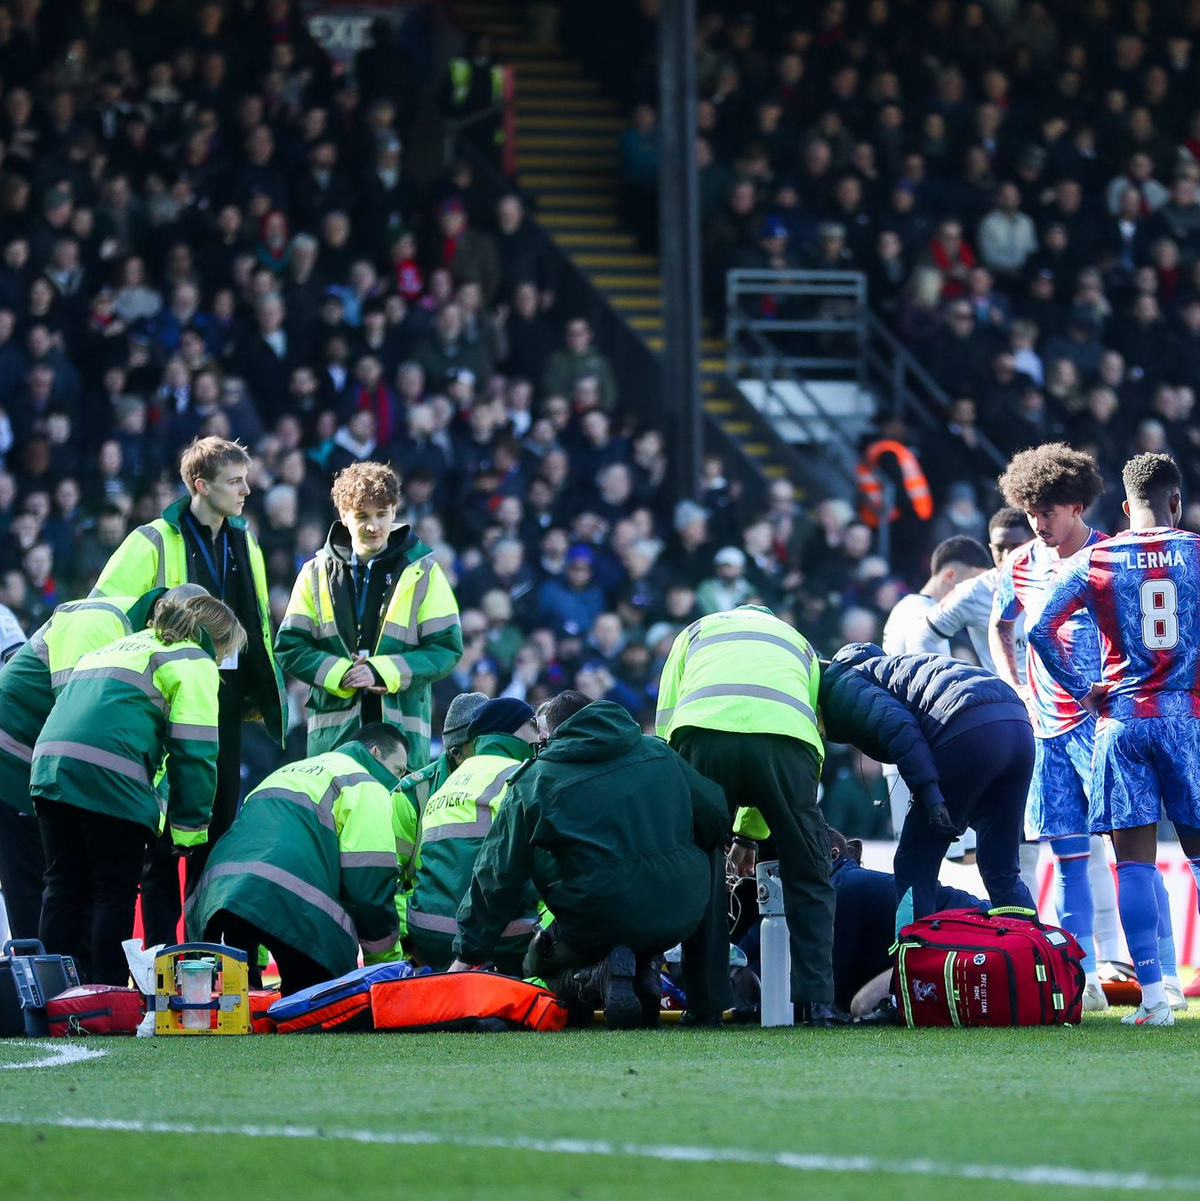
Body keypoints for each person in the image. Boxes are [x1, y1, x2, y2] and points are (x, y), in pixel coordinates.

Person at [91, 436, 287, 947]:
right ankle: (160, 953)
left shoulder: (245, 541)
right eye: (235, 482)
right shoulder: (151, 541)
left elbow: (258, 624)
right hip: (163, 702)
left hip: (222, 703)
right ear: (201, 485)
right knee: (163, 836)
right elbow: (104, 612)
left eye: (246, 479)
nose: (247, 490)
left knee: (216, 832)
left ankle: (208, 949)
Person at [1028, 452, 1198, 1025]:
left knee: (1135, 866)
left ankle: (1152, 1000)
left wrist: (1084, 690)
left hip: (1121, 723)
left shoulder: (1097, 558)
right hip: (1186, 720)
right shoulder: (1197, 555)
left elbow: (1038, 628)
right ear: (1177, 502)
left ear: (1124, 508)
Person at [449, 691, 729, 1029]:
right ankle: (649, 973)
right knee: (656, 896)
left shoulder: (536, 779)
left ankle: (597, 979)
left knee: (536, 962)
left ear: (550, 734)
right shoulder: (659, 752)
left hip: (597, 917)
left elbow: (496, 874)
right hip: (680, 912)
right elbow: (715, 813)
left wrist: (467, 953)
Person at [919, 506, 1124, 949]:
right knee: (1020, 849)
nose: (1010, 551)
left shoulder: (1073, 566)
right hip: (1013, 726)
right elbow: (926, 632)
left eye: (1016, 543)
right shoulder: (983, 588)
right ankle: (1027, 950)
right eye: (999, 546)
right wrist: (957, 687)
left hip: (1072, 722)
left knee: (1094, 850)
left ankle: (1110, 958)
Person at [31, 594, 243, 984]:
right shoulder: (193, 660)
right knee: (112, 890)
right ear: (215, 640)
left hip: (50, 768)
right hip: (112, 776)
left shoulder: (119, 646)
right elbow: (194, 753)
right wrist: (188, 831)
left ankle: (50, 998)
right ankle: (104, 993)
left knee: (62, 887)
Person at [656, 605, 844, 1026]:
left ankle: (704, 1006)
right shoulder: (799, 642)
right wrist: (751, 836)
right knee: (809, 873)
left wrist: (691, 810)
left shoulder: (696, 631)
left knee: (700, 872)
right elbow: (811, 726)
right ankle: (819, 1005)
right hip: (786, 743)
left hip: (702, 736)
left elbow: (667, 717)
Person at [0, 585, 202, 940]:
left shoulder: (140, 640)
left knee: (68, 885)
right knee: (44, 885)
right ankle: (46, 987)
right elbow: (77, 719)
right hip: (15, 757)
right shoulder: (101, 621)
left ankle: (76, 986)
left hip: (45, 761)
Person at [988, 443, 1110, 1010]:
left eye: (1048, 512)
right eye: (1031, 511)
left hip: (1104, 725)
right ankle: (1080, 980)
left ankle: (1161, 978)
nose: (1037, 524)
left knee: (1131, 853)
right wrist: (1013, 683)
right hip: (1047, 731)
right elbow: (1002, 624)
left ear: (1077, 505)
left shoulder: (1111, 556)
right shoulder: (1020, 564)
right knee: (1069, 861)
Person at [817, 642, 1036, 931]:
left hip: (967, 727)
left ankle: (914, 963)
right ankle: (1035, 960)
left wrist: (930, 794)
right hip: (1018, 725)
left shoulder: (842, 684)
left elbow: (899, 727)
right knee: (1001, 868)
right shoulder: (890, 670)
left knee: (913, 864)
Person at [187, 723, 409, 995]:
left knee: (247, 1005)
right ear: (375, 753)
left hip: (220, 894)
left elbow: (253, 869)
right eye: (398, 771)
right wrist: (383, 967)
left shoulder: (288, 771)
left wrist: (252, 965)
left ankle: (251, 984)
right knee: (320, 1002)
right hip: (292, 901)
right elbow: (369, 882)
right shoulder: (365, 783)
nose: (398, 782)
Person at [276, 461, 462, 772]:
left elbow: (446, 649)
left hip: (402, 740)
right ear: (343, 517)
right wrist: (341, 673)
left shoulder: (424, 571)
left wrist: (379, 671)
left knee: (397, 819)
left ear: (394, 512)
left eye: (382, 514)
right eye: (362, 516)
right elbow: (289, 647)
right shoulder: (314, 572)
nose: (373, 526)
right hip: (334, 741)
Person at [407, 697, 540, 973]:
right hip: (497, 940)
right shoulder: (520, 775)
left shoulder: (446, 783)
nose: (540, 733)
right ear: (513, 729)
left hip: (428, 934)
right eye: (534, 724)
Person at [880, 534, 991, 839]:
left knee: (924, 856)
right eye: (972, 583)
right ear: (951, 576)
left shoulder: (908, 608)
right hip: (920, 753)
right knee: (942, 854)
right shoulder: (922, 615)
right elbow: (935, 688)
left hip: (909, 748)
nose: (974, 595)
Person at [823, 828, 982, 1017]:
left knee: (862, 1005)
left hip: (966, 934)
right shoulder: (847, 879)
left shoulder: (842, 886)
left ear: (834, 854)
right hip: (965, 929)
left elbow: (839, 985)